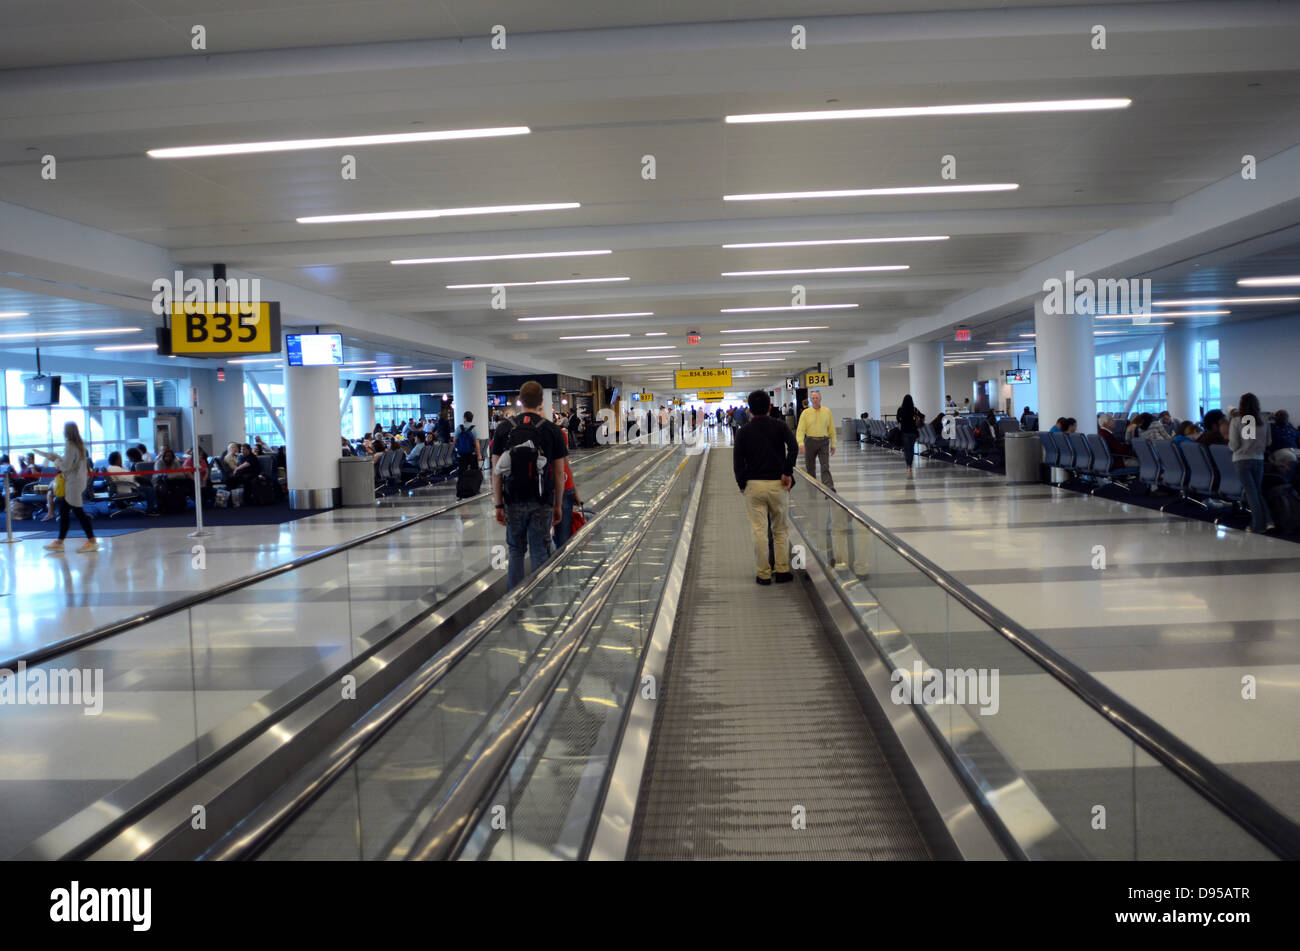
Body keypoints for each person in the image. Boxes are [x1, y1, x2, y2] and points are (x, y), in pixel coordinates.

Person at [491, 380, 569, 590]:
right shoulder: (552, 430)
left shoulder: (504, 428)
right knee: (539, 549)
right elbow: (560, 473)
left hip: (513, 499)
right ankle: (541, 598)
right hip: (542, 501)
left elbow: (496, 471)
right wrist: (558, 504)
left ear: (519, 400)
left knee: (516, 550)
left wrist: (498, 505)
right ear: (541, 402)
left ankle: (512, 603)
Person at [734, 389, 798, 585]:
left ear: (750, 410)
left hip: (754, 486)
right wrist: (787, 472)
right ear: (770, 406)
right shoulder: (779, 426)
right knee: (780, 529)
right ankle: (782, 571)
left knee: (759, 530)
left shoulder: (743, 431)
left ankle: (763, 574)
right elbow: (794, 447)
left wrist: (742, 483)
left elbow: (737, 461)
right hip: (778, 484)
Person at [35, 421, 97, 553]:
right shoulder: (80, 445)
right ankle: (60, 541)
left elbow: (65, 466)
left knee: (78, 513)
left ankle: (91, 541)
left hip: (72, 483)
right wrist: (57, 457)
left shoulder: (69, 444)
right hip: (79, 481)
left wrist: (55, 461)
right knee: (64, 512)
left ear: (67, 431)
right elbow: (72, 462)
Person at [1230, 392, 1273, 533]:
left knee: (1251, 493)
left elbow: (1235, 445)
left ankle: (1258, 525)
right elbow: (1268, 442)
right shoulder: (1264, 419)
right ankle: (1269, 521)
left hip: (1242, 460)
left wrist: (1230, 446)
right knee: (1256, 492)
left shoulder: (1236, 421)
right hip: (1259, 459)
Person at [795, 388, 837, 490]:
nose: (815, 400)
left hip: (823, 442)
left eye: (816, 398)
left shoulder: (827, 411)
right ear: (810, 400)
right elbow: (800, 429)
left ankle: (829, 488)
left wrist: (833, 444)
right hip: (810, 441)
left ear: (820, 399)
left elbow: (831, 428)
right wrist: (801, 443)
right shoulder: (805, 413)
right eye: (813, 398)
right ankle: (812, 487)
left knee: (825, 466)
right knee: (810, 467)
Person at [553, 427, 583, 548]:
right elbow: (564, 464)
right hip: (564, 486)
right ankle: (561, 563)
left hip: (539, 491)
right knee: (563, 538)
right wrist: (574, 490)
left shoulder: (520, 431)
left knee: (538, 543)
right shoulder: (557, 432)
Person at [454, 411, 483, 498]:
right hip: (472, 454)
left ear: (464, 418)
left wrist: (458, 448)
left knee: (461, 472)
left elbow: (455, 440)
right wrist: (479, 455)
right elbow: (477, 443)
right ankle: (474, 489)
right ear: (472, 418)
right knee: (474, 471)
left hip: (462, 454)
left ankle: (460, 490)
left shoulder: (459, 428)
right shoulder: (474, 428)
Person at [897, 394, 921, 474]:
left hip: (904, 431)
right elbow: (922, 416)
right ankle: (910, 464)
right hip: (913, 431)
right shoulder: (914, 409)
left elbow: (898, 419)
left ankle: (908, 465)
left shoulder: (900, 409)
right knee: (911, 448)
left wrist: (903, 422)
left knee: (906, 449)